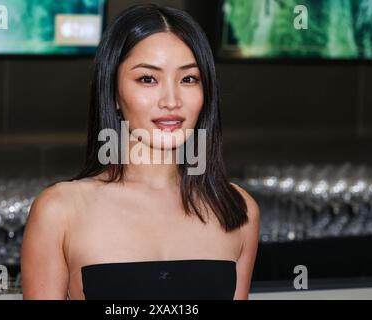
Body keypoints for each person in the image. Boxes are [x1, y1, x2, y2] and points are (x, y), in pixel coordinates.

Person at [21, 3, 260, 300]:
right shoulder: (60, 211)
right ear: (114, 94)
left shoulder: (237, 210)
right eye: (148, 79)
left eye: (189, 79)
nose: (171, 100)